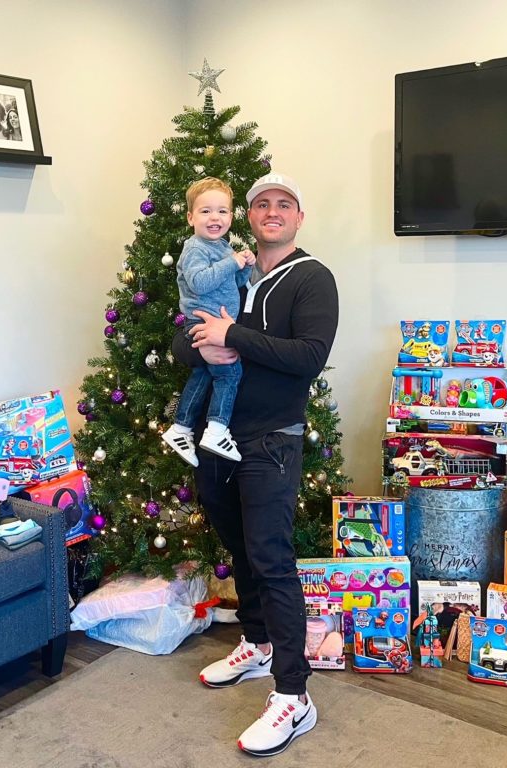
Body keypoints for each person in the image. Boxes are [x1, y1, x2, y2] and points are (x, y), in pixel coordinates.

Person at [173, 172, 339, 757]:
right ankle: (257, 642)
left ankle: (294, 694)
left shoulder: (312, 278)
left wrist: (233, 337)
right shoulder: (231, 268)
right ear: (247, 215)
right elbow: (184, 339)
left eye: (284, 204)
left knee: (271, 558)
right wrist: (204, 339)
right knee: (238, 547)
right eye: (261, 204)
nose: (272, 212)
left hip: (272, 440)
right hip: (217, 439)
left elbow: (309, 357)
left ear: (299, 215)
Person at [161, 178, 254, 465]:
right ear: (190, 217)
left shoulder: (223, 246)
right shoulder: (195, 249)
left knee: (204, 373)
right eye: (205, 211)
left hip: (216, 322)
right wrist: (232, 263)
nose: (215, 217)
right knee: (229, 373)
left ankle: (180, 428)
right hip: (202, 323)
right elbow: (200, 282)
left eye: (222, 211)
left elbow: (232, 280)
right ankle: (216, 429)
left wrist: (244, 267)